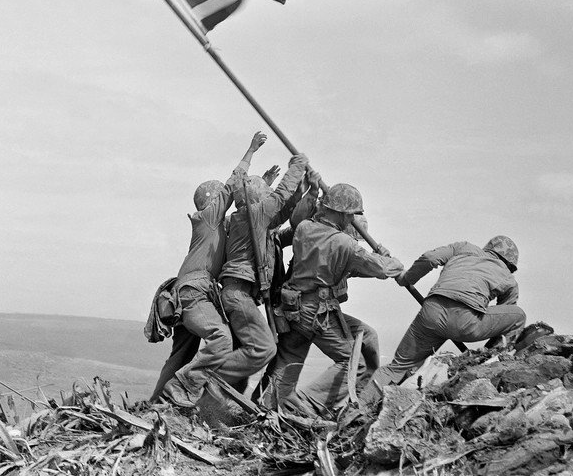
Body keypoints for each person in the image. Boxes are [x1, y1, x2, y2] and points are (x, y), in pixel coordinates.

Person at [266, 181, 404, 413]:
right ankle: (304, 406)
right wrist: (391, 260)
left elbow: (349, 267)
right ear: (342, 213)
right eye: (351, 216)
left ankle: (269, 406)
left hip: (293, 308)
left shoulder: (305, 229)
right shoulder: (344, 243)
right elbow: (380, 268)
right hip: (317, 311)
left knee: (289, 359)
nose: (351, 220)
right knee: (354, 364)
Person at [156, 132, 268, 407]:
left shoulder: (215, 227)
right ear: (212, 201)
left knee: (181, 354)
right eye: (220, 198)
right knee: (221, 338)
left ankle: (156, 403)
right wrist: (251, 151)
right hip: (194, 293)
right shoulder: (207, 218)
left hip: (189, 294)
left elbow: (248, 213)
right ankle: (184, 388)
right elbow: (232, 185)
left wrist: (263, 186)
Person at [361, 236, 526, 405]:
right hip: (466, 322)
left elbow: (430, 258)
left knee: (396, 367)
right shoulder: (509, 279)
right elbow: (504, 317)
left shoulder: (463, 248)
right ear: (510, 264)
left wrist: (407, 279)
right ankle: (491, 360)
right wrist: (488, 351)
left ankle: (358, 407)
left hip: (431, 313)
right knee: (518, 316)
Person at [212, 147, 309, 391]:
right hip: (238, 293)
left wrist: (303, 190)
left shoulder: (247, 218)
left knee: (243, 356)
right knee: (264, 348)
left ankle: (220, 401)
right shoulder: (255, 215)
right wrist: (297, 165)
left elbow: (283, 211)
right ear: (258, 198)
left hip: (237, 293)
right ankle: (208, 378)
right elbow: (280, 196)